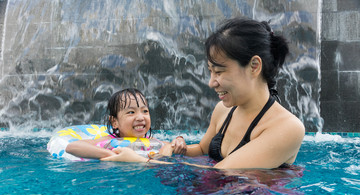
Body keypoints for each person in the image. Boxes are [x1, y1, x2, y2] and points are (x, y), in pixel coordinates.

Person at [101, 17, 305, 169]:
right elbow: (201, 150)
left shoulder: (287, 127)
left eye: (219, 71)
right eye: (210, 71)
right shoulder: (223, 111)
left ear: (254, 66)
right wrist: (176, 146)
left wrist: (140, 161)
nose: (211, 82)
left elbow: (222, 172)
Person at [65, 88, 186, 160]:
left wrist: (178, 141)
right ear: (115, 122)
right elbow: (72, 147)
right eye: (131, 112)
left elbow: (192, 150)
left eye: (145, 111)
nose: (140, 117)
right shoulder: (109, 141)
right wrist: (112, 155)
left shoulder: (155, 142)